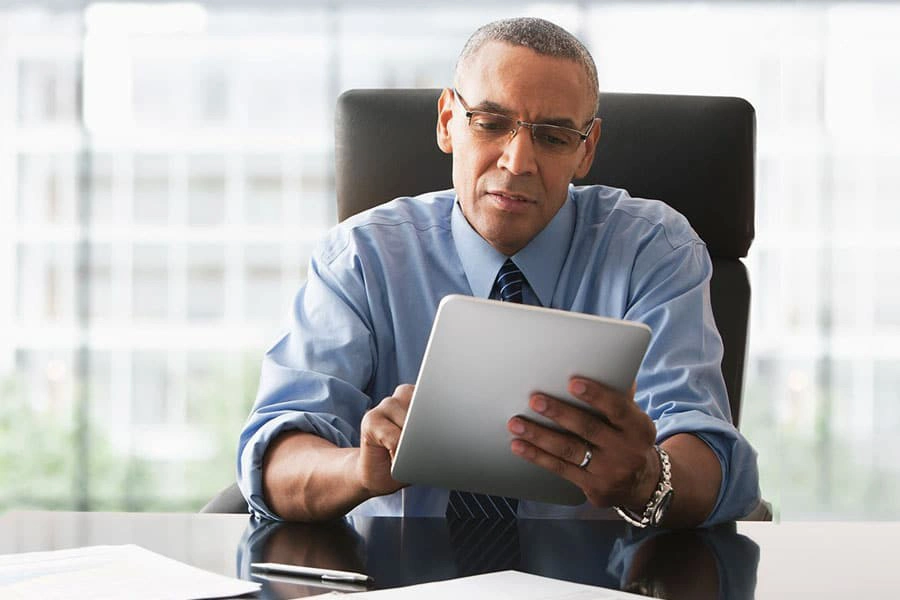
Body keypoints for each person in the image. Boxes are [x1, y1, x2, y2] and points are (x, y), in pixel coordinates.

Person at [237, 17, 761, 527]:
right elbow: (275, 462)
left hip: (598, 579)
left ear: (587, 149)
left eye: (553, 137)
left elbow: (709, 457)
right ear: (448, 121)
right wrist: (359, 469)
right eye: (490, 123)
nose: (517, 162)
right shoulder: (361, 255)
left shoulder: (654, 248)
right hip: (398, 575)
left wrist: (646, 476)